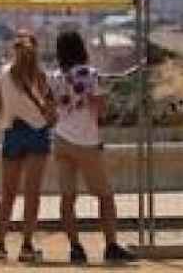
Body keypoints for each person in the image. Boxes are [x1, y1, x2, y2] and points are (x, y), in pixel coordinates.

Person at [51, 30, 136, 265]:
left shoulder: (56, 76)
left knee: (68, 197)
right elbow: (99, 109)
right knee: (105, 196)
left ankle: (75, 247)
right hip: (87, 141)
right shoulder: (90, 74)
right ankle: (110, 245)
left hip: (61, 138)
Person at [0, 32, 55, 264]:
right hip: (37, 132)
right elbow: (49, 107)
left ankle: (0, 243)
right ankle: (26, 245)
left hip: (12, 132)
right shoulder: (40, 75)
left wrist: (7, 118)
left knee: (7, 192)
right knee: (32, 193)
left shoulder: (3, 73)